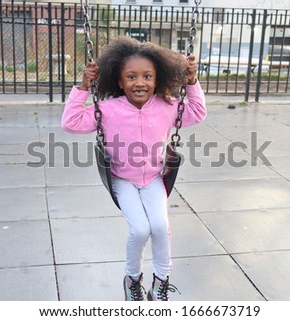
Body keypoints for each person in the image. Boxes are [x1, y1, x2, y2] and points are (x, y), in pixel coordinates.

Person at [61, 36, 207, 301]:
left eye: (147, 76)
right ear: (120, 81)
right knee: (140, 229)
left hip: (152, 179)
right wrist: (83, 87)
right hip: (122, 180)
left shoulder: (167, 106)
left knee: (160, 227)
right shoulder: (106, 109)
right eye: (131, 77)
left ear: (156, 79)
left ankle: (160, 281)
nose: (140, 82)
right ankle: (132, 280)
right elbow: (70, 122)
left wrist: (192, 82)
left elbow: (197, 112)